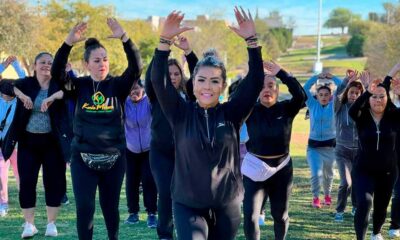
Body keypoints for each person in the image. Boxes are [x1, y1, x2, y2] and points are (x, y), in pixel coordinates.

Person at [150, 8, 264, 239]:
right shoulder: (180, 113)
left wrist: (252, 42)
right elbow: (158, 81)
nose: (207, 87)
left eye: (214, 81)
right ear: (193, 84)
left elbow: (255, 82)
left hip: (227, 204)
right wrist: (164, 42)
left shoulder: (232, 112)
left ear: (222, 86)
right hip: (187, 204)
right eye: (201, 80)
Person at [51, 19, 142, 240]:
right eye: (97, 60)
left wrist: (125, 38)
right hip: (83, 158)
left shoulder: (117, 86)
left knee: (110, 209)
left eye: (105, 59)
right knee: (85, 208)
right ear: (86, 64)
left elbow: (136, 69)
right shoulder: (78, 86)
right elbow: (56, 73)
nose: (102, 63)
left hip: (114, 159)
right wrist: (67, 43)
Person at [0, 52, 71, 238]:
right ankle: (29, 224)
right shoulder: (26, 83)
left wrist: (53, 96)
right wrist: (21, 94)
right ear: (34, 66)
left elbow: (71, 89)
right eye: (42, 62)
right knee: (27, 183)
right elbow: (4, 85)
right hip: (28, 143)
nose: (46, 65)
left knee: (53, 183)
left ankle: (51, 224)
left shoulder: (58, 83)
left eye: (50, 62)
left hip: (52, 143)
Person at [242, 61, 306, 240]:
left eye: (270, 86)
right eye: (262, 87)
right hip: (254, 167)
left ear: (277, 90)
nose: (266, 90)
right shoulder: (250, 110)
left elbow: (301, 96)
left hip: (282, 169)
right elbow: (237, 96)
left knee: (280, 215)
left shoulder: (287, 108)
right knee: (251, 215)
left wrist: (282, 74)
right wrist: (253, 75)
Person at [145, 35, 198, 240]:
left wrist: (188, 51)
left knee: (187, 193)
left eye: (176, 73)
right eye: (169, 74)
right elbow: (153, 76)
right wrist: (161, 49)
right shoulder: (156, 94)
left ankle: (187, 228)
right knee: (166, 193)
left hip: (186, 153)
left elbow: (198, 74)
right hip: (160, 153)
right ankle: (165, 233)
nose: (173, 77)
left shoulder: (191, 95)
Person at [348, 69, 400, 240]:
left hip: (388, 171)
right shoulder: (361, 116)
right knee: (364, 203)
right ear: (368, 98)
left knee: (381, 206)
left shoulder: (394, 116)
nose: (378, 100)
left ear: (388, 98)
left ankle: (376, 232)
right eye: (374, 96)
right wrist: (367, 91)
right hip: (363, 169)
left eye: (382, 96)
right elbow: (352, 110)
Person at [303, 72, 342, 208]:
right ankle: (315, 198)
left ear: (330, 96)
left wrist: (332, 77)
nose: (324, 97)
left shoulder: (334, 106)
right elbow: (305, 88)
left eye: (326, 95)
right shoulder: (312, 105)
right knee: (316, 174)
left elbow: (342, 86)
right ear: (317, 96)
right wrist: (317, 77)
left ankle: (327, 195)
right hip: (313, 148)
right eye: (321, 95)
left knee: (328, 175)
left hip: (330, 148)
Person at [124, 80, 158, 228]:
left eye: (136, 88)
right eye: (131, 89)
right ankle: (133, 213)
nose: (133, 92)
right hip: (130, 149)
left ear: (143, 89)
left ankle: (152, 214)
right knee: (131, 181)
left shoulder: (149, 101)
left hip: (148, 148)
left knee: (148, 180)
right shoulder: (124, 102)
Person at [333, 70, 364, 222]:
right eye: (351, 92)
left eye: (357, 93)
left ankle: (356, 206)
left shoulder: (363, 110)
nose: (353, 95)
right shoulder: (340, 107)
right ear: (347, 93)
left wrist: (365, 84)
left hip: (359, 152)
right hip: (342, 151)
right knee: (346, 183)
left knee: (357, 183)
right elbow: (337, 95)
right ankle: (339, 210)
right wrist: (345, 81)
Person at [0, 56, 25, 217]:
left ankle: (26, 200)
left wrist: (16, 64)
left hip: (16, 143)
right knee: (1, 173)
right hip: (1, 143)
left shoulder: (19, 101)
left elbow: (25, 79)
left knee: (21, 172)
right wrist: (3, 65)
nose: (6, 94)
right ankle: (3, 203)